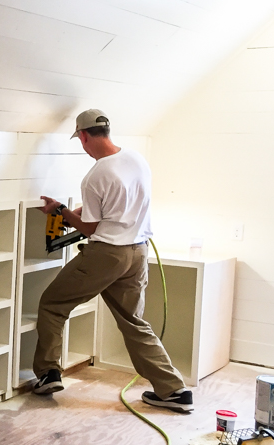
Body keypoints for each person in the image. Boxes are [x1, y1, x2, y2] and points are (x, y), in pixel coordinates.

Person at [31, 109, 192, 413]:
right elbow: (116, 205)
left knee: (53, 304)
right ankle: (174, 391)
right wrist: (76, 212)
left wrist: (61, 211)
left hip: (107, 255)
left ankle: (48, 373)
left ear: (83, 136)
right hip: (138, 252)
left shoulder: (95, 175)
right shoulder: (136, 159)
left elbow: (91, 228)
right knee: (134, 322)